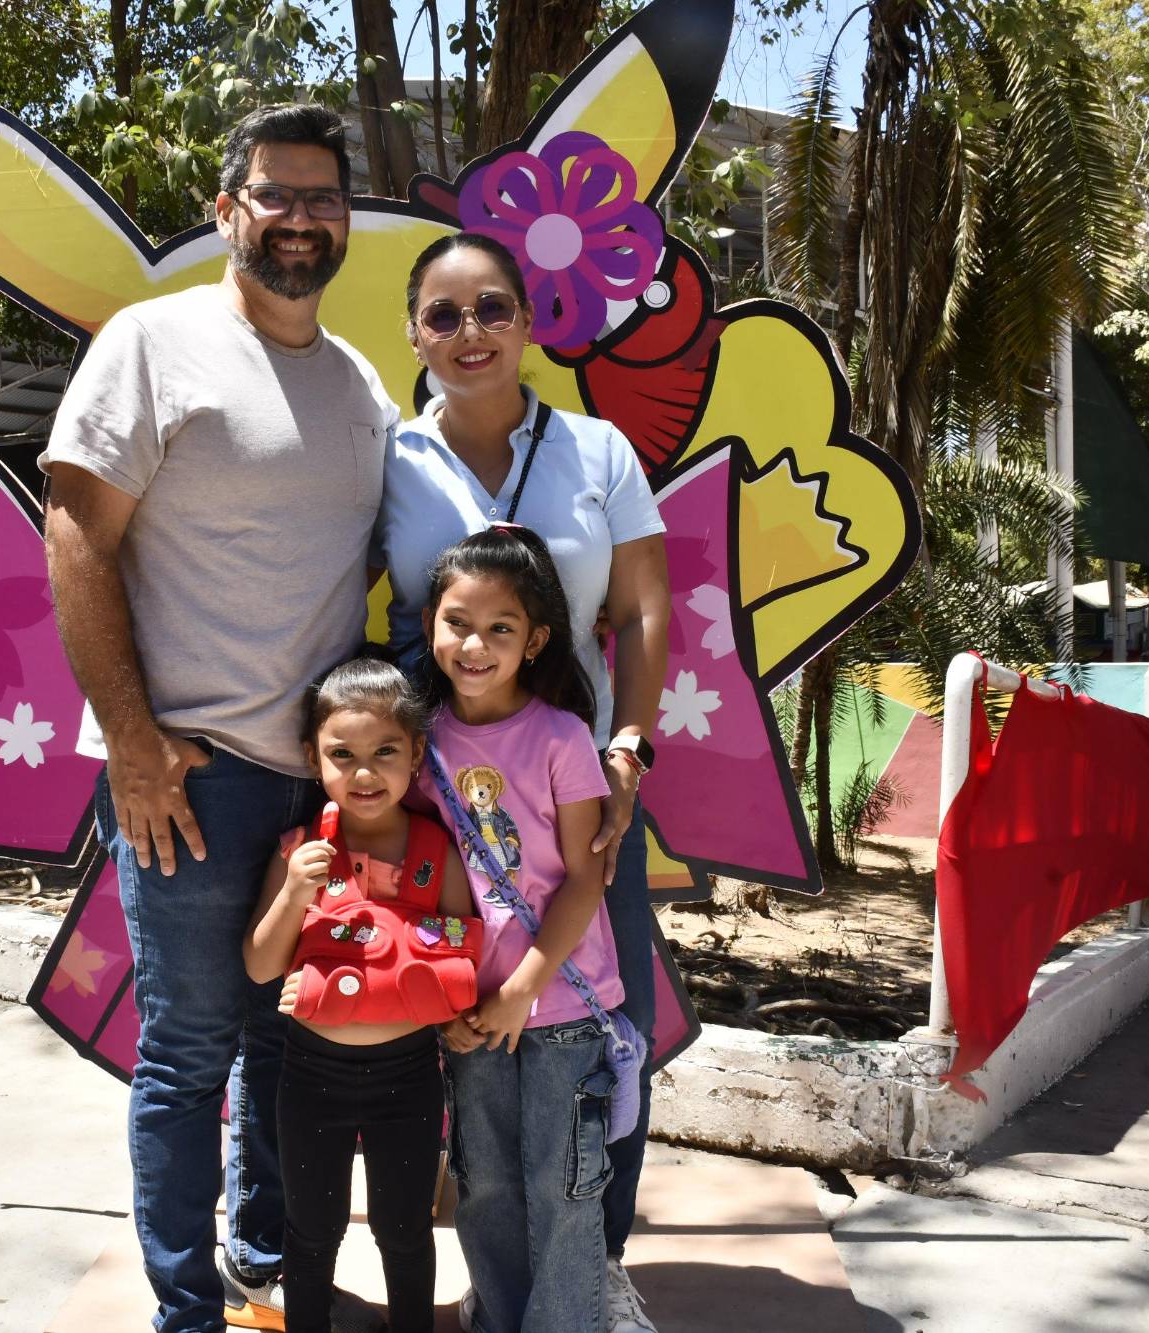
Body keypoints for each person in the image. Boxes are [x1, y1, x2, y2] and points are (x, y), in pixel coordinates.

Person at [42, 103, 395, 1332]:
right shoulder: (153, 342)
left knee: (286, 1044)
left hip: (316, 788)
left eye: (321, 197)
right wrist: (132, 747)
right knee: (190, 1056)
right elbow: (77, 538)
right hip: (188, 782)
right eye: (276, 194)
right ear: (225, 208)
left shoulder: (359, 385)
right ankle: (184, 1311)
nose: (300, 218)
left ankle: (256, 1264)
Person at [372, 232, 671, 1331]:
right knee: (462, 1046)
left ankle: (594, 1270)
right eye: (442, 315)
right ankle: (505, 1282)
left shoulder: (595, 451)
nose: (468, 333)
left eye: (490, 308)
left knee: (601, 1021)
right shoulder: (391, 459)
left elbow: (640, 607)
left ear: (529, 323)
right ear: (413, 333)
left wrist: (629, 741)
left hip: (580, 787)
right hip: (438, 800)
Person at [417, 526, 626, 1333]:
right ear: (431, 621)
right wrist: (449, 998)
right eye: (458, 622)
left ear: (535, 639)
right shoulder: (421, 738)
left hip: (560, 1010)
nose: (475, 644)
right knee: (487, 1180)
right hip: (467, 1008)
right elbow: (419, 877)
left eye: (500, 628)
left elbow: (584, 878)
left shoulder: (564, 738)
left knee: (564, 1184)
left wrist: (521, 992)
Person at [243, 654, 474, 1333]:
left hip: (409, 1076)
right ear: (315, 760)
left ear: (417, 755)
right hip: (311, 1074)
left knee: (404, 1232)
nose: (364, 772)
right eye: (342, 754)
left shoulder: (438, 850)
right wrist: (294, 891)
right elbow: (259, 966)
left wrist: (457, 1013)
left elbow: (461, 950)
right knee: (310, 1233)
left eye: (385, 752)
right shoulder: (297, 850)